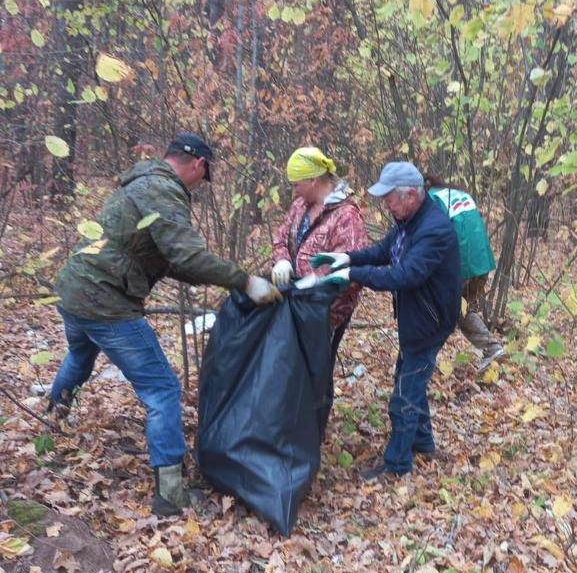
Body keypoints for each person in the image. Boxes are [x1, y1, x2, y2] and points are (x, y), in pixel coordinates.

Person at [48, 132, 280, 516]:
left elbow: (172, 261)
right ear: (198, 165)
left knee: (79, 356)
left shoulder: (143, 182)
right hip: (104, 300)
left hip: (73, 290)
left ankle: (52, 419)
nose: (199, 186)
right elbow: (187, 256)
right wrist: (245, 281)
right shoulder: (163, 190)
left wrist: (223, 277)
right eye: (202, 179)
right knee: (163, 390)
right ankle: (170, 493)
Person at [311, 162, 461, 480]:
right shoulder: (408, 220)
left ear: (410, 195)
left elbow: (404, 274)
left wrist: (352, 275)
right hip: (417, 318)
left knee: (404, 395)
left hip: (430, 322)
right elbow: (384, 251)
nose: (386, 204)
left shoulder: (433, 229)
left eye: (390, 198)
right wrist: (348, 258)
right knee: (410, 381)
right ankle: (423, 444)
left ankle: (396, 466)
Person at [271, 146, 367, 370]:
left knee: (315, 372)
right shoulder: (299, 206)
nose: (294, 191)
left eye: (297, 184)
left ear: (313, 180)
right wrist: (282, 260)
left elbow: (353, 273)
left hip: (325, 312)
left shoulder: (346, 217)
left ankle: (316, 405)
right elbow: (281, 238)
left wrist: (318, 284)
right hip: (293, 304)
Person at [424, 173, 506, 373]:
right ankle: (492, 348)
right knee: (461, 309)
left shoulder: (431, 199)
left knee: (432, 308)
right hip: (481, 263)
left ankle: (422, 360)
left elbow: (431, 235)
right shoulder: (457, 192)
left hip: (459, 266)